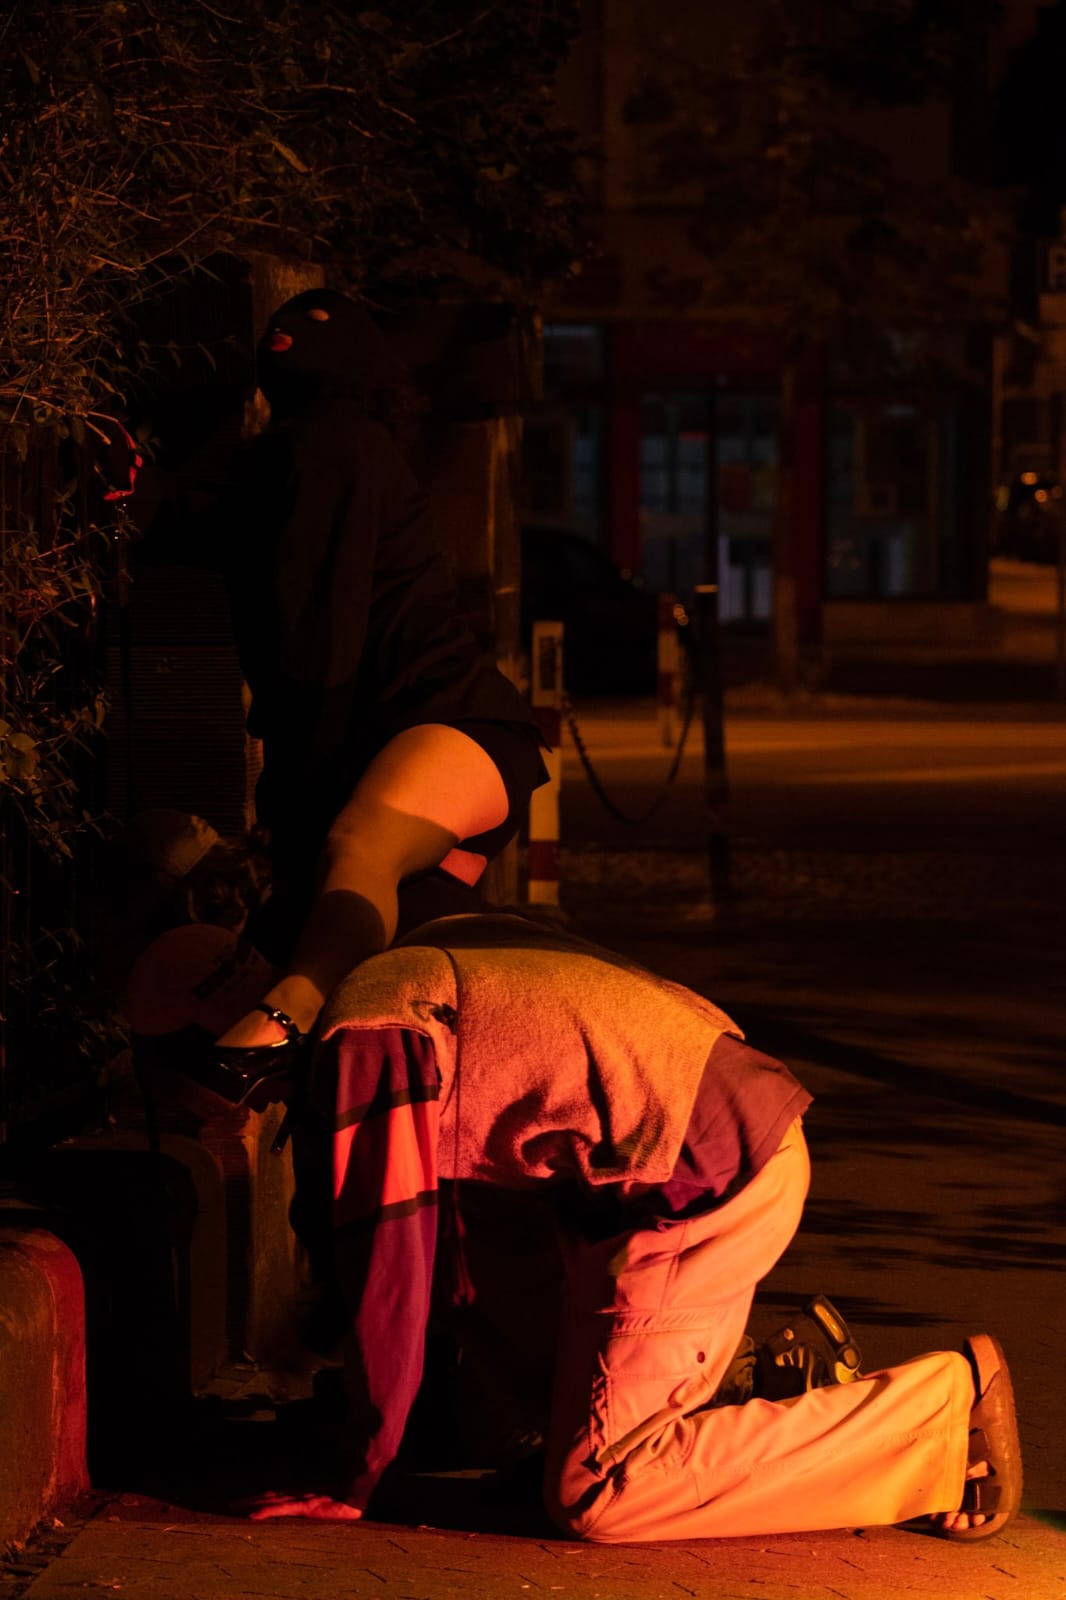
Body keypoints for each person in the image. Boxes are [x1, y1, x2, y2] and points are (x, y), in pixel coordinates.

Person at [248, 911, 1022, 1543]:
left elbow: (391, 1262)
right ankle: (734, 1390)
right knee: (507, 1415)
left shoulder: (369, 1042)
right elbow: (454, 1248)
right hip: (689, 1146)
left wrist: (358, 1473)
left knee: (600, 1494)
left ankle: (935, 1417)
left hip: (703, 1184)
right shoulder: (420, 955)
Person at [130, 288, 547, 1081]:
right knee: (367, 927)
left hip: (450, 720)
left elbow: (321, 642)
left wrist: (295, 790)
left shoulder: (338, 448)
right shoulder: (286, 460)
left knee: (359, 850)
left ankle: (286, 1019)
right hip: (404, 743)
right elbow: (201, 523)